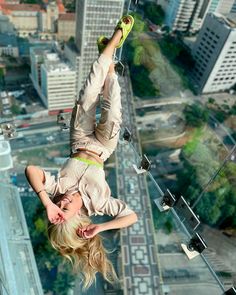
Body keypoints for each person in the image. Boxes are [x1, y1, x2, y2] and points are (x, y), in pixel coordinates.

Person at [25, 15, 137, 289]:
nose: (62, 202)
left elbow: (31, 170)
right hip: (103, 146)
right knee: (112, 104)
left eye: (58, 207)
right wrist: (101, 227)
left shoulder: (55, 190)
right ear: (80, 218)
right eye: (66, 208)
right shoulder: (98, 204)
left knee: (88, 94)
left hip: (78, 139)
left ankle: (114, 41)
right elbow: (131, 216)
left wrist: (48, 202)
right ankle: (108, 56)